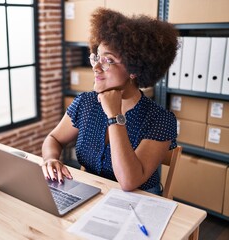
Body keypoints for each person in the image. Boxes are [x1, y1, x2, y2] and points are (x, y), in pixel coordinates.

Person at [41, 8, 179, 195]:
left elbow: (129, 182)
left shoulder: (159, 119)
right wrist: (50, 158)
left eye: (108, 60)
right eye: (96, 57)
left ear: (134, 69)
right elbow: (54, 138)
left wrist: (114, 115)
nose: (96, 67)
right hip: (92, 194)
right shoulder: (86, 102)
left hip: (139, 204)